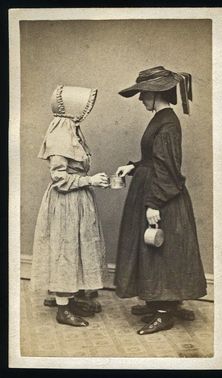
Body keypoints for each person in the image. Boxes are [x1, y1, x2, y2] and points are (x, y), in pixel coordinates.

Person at [114, 66, 207, 335]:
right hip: (153, 188)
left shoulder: (167, 123)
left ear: (156, 94)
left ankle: (165, 312)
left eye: (143, 93)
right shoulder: (162, 118)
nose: (141, 98)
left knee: (161, 253)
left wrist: (154, 203)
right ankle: (159, 301)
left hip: (162, 194)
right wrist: (133, 166)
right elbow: (155, 159)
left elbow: (168, 168)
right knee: (157, 252)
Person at [31, 85, 109, 327]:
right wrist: (91, 180)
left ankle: (71, 298)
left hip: (78, 201)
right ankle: (62, 309)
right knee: (65, 249)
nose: (85, 112)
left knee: (76, 248)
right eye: (83, 108)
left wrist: (91, 182)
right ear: (73, 109)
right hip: (66, 202)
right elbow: (60, 179)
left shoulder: (73, 131)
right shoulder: (59, 135)